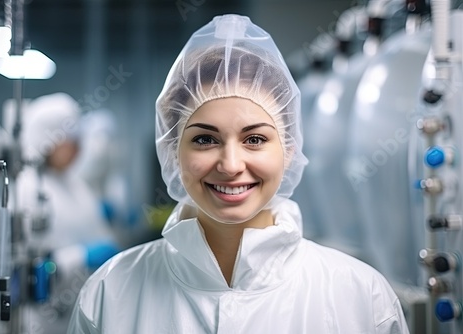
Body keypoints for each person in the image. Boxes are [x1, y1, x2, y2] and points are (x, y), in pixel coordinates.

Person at [68, 14, 409, 333]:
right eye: (205, 139)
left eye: (255, 139)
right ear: (172, 150)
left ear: (289, 148)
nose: (231, 165)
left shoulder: (364, 300)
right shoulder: (109, 294)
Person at [15, 92, 120, 333]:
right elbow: (25, 263)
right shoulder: (27, 188)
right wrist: (80, 257)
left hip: (81, 307)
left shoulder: (74, 184)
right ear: (47, 138)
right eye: (70, 139)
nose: (78, 147)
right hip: (43, 318)